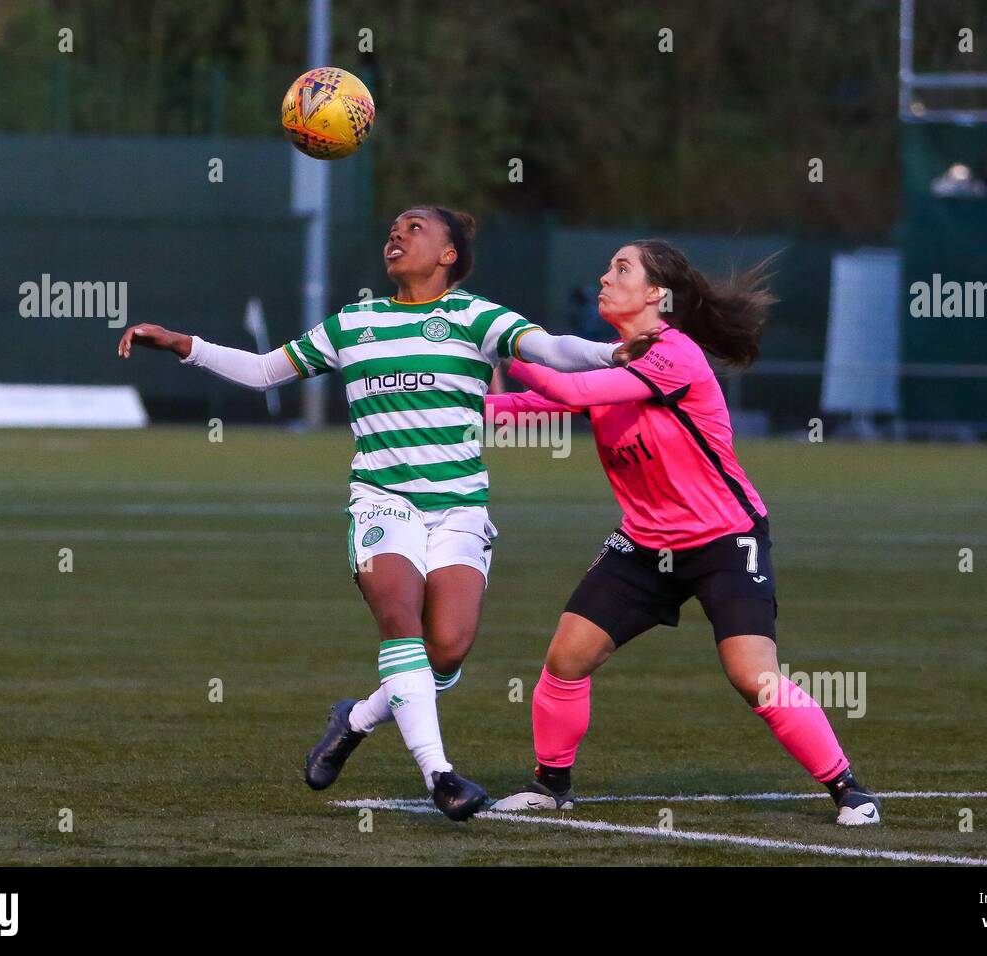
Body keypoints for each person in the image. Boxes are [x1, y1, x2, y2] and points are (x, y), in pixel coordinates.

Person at [117, 206, 660, 820]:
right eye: (393, 229)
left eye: (415, 228)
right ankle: (441, 776)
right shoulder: (356, 322)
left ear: (449, 255)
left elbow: (551, 348)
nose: (396, 236)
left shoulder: (474, 315)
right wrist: (182, 345)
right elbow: (267, 370)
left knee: (447, 653)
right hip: (382, 501)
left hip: (458, 509)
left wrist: (612, 355)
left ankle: (356, 718)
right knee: (400, 622)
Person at [484, 239, 882, 825]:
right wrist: (444, 411)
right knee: (566, 658)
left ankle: (849, 789)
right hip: (644, 544)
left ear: (656, 294)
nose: (605, 276)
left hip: (724, 538)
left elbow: (566, 390)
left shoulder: (676, 356)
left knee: (753, 676)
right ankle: (551, 787)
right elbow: (523, 412)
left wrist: (502, 348)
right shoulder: (615, 357)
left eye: (622, 268)